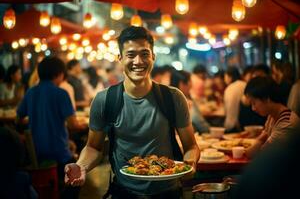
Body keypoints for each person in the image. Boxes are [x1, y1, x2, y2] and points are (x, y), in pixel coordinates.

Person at [64, 26, 200, 199]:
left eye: (144, 54)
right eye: (130, 55)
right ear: (120, 59)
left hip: (168, 192)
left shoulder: (172, 97)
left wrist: (190, 163)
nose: (138, 61)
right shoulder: (104, 100)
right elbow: (93, 147)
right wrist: (81, 166)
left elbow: (191, 146)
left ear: (153, 57)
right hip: (124, 192)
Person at [17, 56, 87, 198]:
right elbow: (72, 124)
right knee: (78, 180)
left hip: (35, 153)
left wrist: (36, 120)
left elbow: (19, 119)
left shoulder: (31, 92)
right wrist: (86, 124)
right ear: (59, 74)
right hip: (58, 152)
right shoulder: (61, 93)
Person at [233, 123, 300, 199]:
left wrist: (259, 140)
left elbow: (252, 152)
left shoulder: (284, 122)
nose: (253, 110)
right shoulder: (272, 118)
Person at [243, 76, 300, 157]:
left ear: (266, 99)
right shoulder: (272, 115)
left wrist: (245, 150)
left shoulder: (286, 122)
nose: (253, 108)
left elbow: (262, 153)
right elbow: (262, 136)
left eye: (254, 103)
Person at [223, 67, 246, 132]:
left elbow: (228, 111)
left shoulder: (229, 89)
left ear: (230, 77)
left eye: (225, 77)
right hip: (248, 123)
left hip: (233, 126)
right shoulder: (244, 84)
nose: (224, 80)